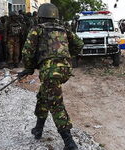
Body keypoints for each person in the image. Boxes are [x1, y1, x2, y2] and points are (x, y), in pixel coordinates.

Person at [18, 3, 84, 150]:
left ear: (40, 16)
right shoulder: (64, 29)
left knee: (55, 104)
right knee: (44, 96)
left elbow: (27, 52)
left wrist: (29, 67)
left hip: (50, 72)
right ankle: (38, 129)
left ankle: (69, 143)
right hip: (65, 69)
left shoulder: (37, 30)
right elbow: (79, 44)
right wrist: (65, 57)